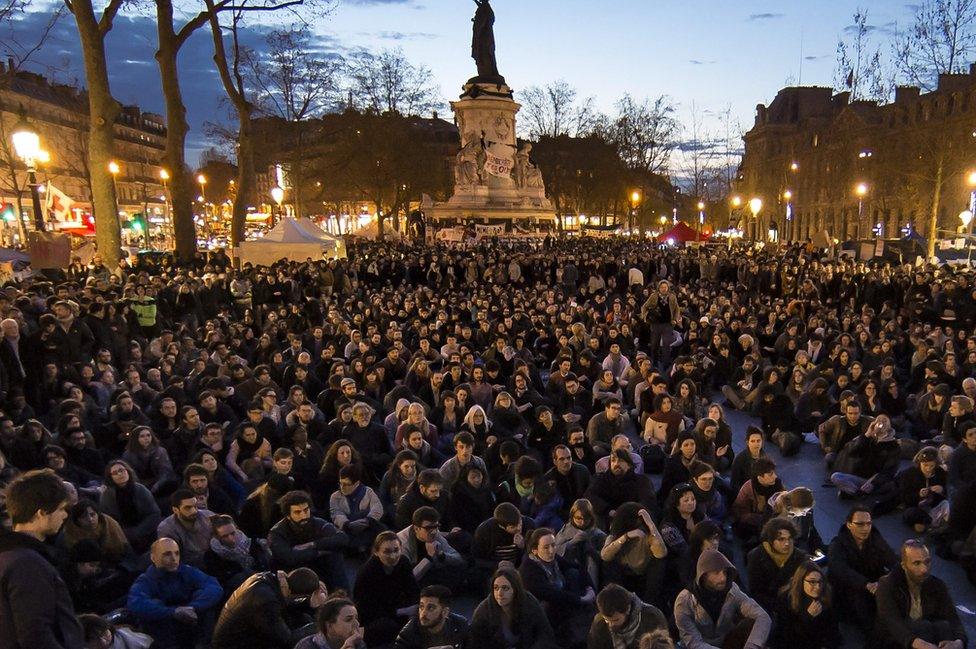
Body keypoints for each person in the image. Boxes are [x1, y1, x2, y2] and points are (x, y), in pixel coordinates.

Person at [0, 468, 84, 648]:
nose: (65, 514)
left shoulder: (11, 556)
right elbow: (35, 632)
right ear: (42, 513)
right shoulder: (26, 563)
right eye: (61, 508)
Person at [127, 537, 223, 649]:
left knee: (204, 597)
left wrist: (193, 607)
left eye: (177, 554)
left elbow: (213, 586)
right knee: (154, 607)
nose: (174, 559)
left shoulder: (187, 571)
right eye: (167, 554)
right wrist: (173, 612)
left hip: (193, 622)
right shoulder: (146, 580)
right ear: (153, 558)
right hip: (167, 634)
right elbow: (136, 603)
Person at [875, 540, 967, 649]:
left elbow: (953, 618)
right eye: (917, 563)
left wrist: (959, 641)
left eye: (927, 562)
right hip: (896, 639)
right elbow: (891, 621)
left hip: (925, 633)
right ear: (904, 566)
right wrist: (915, 642)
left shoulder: (937, 585)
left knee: (944, 627)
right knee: (923, 627)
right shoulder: (887, 584)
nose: (924, 569)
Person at [673, 549, 771, 649]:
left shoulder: (732, 590)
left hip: (726, 642)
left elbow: (762, 616)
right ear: (704, 575)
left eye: (724, 572)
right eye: (716, 573)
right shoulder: (684, 600)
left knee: (751, 623)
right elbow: (693, 642)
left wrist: (752, 646)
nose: (722, 578)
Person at [210, 567, 328, 649]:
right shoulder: (265, 600)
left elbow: (283, 605)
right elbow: (287, 639)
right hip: (235, 645)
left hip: (246, 636)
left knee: (303, 618)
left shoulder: (267, 578)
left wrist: (308, 602)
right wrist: (322, 624)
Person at [826, 505, 898, 631]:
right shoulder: (838, 544)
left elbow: (891, 559)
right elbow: (840, 569)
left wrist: (886, 580)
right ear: (849, 524)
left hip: (875, 584)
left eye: (868, 524)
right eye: (860, 524)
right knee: (862, 602)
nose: (865, 528)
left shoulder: (875, 539)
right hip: (850, 588)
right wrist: (866, 584)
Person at [267, 490, 350, 591]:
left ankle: (341, 595)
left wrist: (313, 544)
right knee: (331, 552)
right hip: (293, 571)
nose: (304, 516)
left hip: (317, 565)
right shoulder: (276, 533)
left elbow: (342, 539)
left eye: (306, 510)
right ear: (288, 516)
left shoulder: (317, 523)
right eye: (297, 512)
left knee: (335, 555)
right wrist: (319, 552)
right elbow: (288, 557)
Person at [353, 531, 420, 646]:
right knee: (389, 626)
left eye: (396, 550)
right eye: (387, 552)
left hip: (397, 607)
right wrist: (403, 611)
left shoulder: (403, 562)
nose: (393, 556)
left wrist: (416, 607)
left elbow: (413, 590)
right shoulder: (367, 573)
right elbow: (367, 608)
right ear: (376, 552)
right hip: (373, 616)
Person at [469, 565, 556, 649]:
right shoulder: (483, 611)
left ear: (515, 589)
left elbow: (545, 633)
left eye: (505, 588)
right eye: (496, 588)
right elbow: (475, 643)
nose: (499, 593)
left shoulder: (529, 602)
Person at [770, 560, 840, 649]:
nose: (818, 587)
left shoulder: (827, 594)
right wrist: (808, 617)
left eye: (820, 581)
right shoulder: (786, 598)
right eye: (812, 582)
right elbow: (786, 636)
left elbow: (833, 631)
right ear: (801, 581)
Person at [745, 517, 808, 616]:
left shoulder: (801, 557)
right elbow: (756, 592)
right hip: (767, 606)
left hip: (793, 603)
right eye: (781, 539)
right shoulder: (756, 557)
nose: (787, 543)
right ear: (771, 540)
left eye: (789, 539)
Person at [587, 583, 669, 649]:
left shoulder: (652, 617)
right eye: (607, 620)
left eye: (616, 620)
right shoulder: (599, 622)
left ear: (628, 609)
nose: (611, 625)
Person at [203, 514, 269, 594]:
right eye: (225, 536)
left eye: (233, 533)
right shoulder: (212, 557)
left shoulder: (254, 544)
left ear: (237, 529)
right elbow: (223, 583)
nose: (231, 538)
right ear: (217, 537)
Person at [394, 584, 471, 649]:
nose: (423, 613)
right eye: (421, 607)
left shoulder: (460, 624)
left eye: (430, 608)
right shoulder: (408, 634)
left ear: (445, 612)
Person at [156, 489, 214, 567]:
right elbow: (173, 559)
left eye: (195, 506)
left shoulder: (208, 516)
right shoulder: (167, 528)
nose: (194, 511)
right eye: (188, 508)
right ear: (175, 510)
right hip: (188, 566)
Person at [293, 597, 365, 649]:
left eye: (356, 618)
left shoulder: (357, 643)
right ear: (329, 626)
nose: (357, 624)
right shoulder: (307, 646)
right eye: (348, 620)